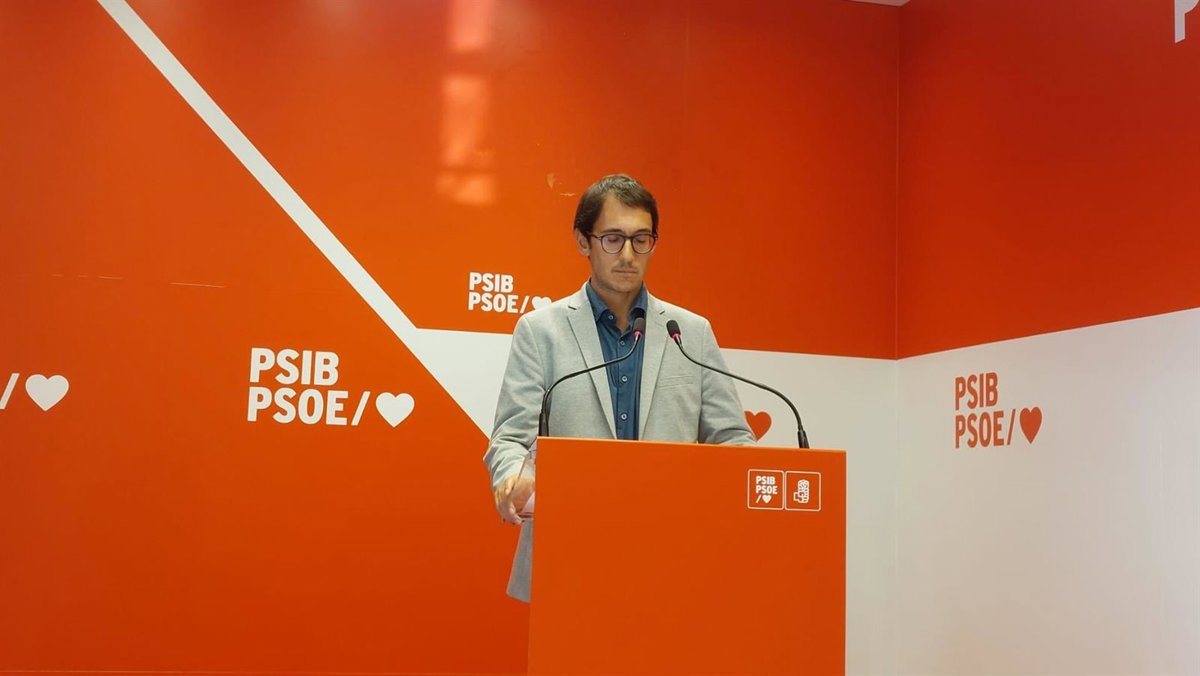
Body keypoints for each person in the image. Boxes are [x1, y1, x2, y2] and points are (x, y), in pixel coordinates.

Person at [482, 174, 755, 602]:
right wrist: (515, 476)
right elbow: (510, 438)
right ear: (583, 242)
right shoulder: (541, 331)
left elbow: (733, 439)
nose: (628, 255)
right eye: (612, 239)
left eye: (641, 240)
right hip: (568, 554)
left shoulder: (690, 332)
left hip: (674, 556)